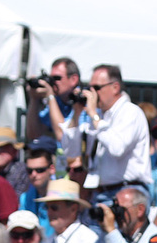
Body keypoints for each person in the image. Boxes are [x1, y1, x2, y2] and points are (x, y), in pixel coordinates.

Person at [64, 63, 152, 204]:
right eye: (90, 87)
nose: (92, 93)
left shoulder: (130, 112)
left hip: (127, 192)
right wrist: (76, 113)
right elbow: (70, 151)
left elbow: (117, 148)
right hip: (99, 193)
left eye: (97, 88)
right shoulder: (98, 116)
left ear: (115, 87)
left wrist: (94, 115)